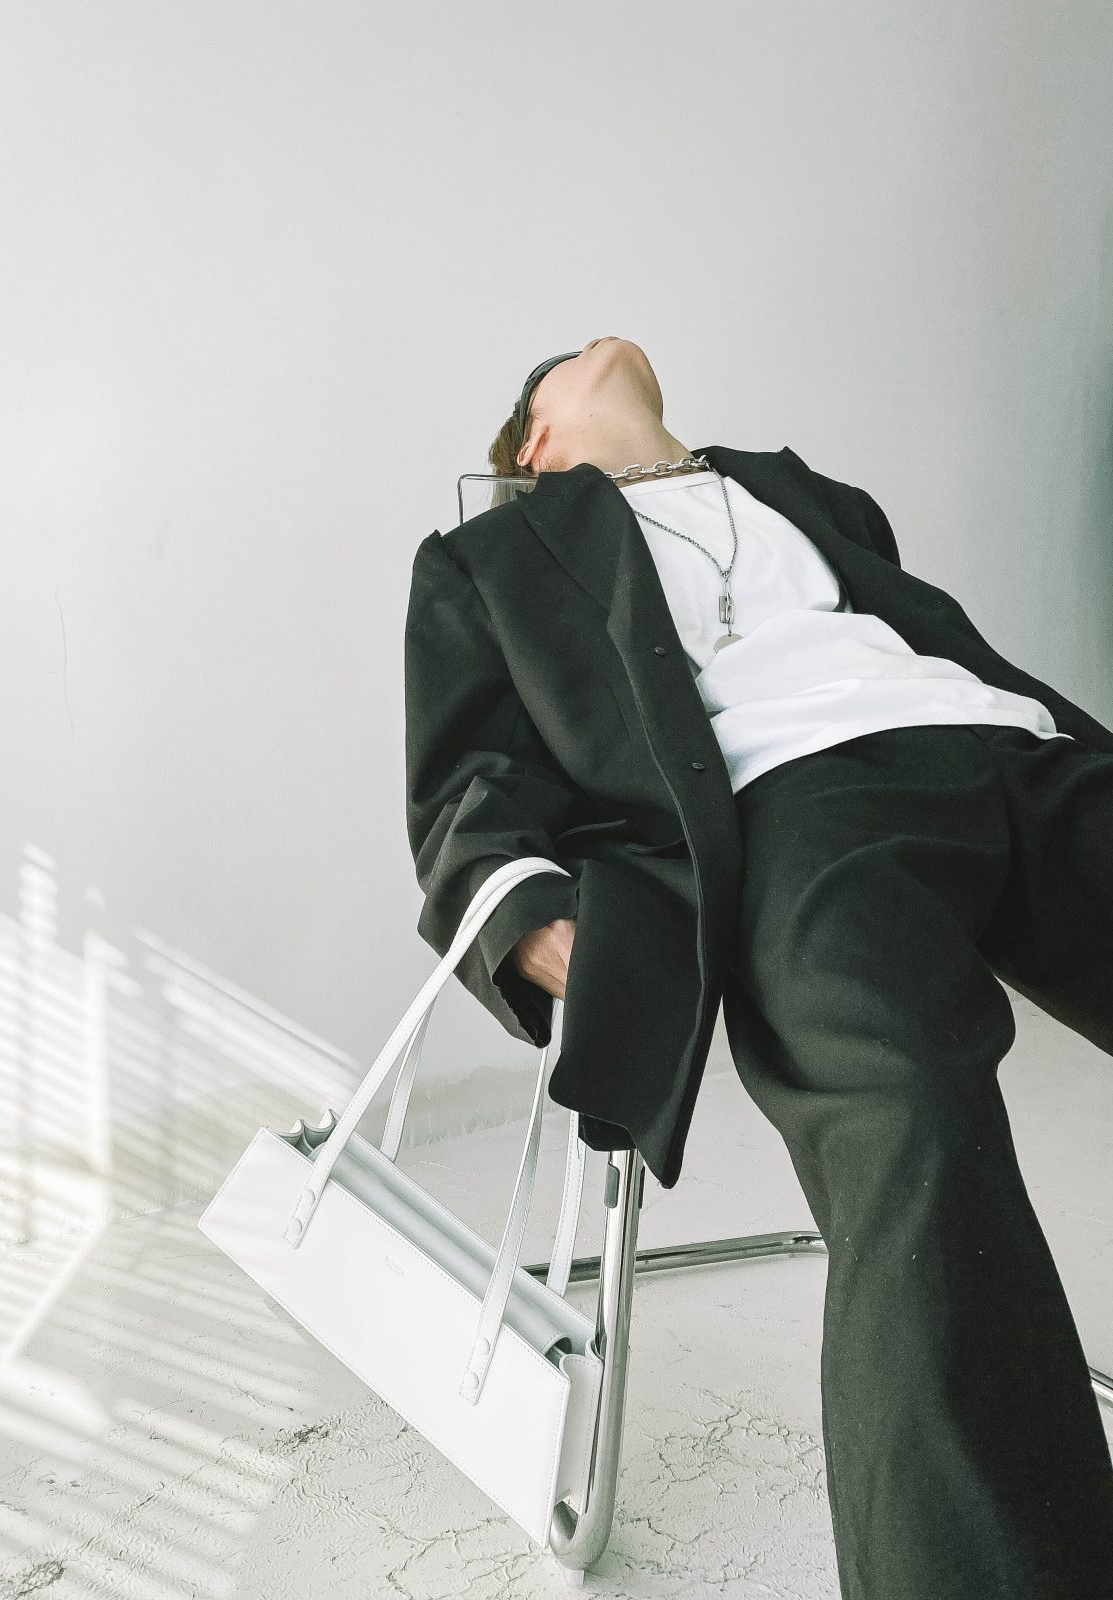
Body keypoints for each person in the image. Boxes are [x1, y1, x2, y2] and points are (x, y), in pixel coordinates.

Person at [402, 335, 1113, 1598]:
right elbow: (467, 778)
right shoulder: (492, 555)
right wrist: (525, 913)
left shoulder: (806, 495)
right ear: (535, 444)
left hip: (1009, 748)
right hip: (798, 816)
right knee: (908, 1114)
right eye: (560, 363)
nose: (598, 342)